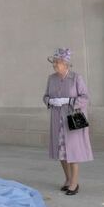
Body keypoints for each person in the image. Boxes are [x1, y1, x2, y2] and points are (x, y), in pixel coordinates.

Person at [43, 48, 92, 195]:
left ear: (66, 64)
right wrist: (51, 101)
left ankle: (74, 183)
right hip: (57, 119)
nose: (54, 65)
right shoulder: (51, 79)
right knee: (61, 152)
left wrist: (69, 100)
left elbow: (85, 98)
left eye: (57, 62)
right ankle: (68, 179)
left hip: (73, 119)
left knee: (73, 152)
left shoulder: (76, 78)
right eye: (54, 62)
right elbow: (45, 96)